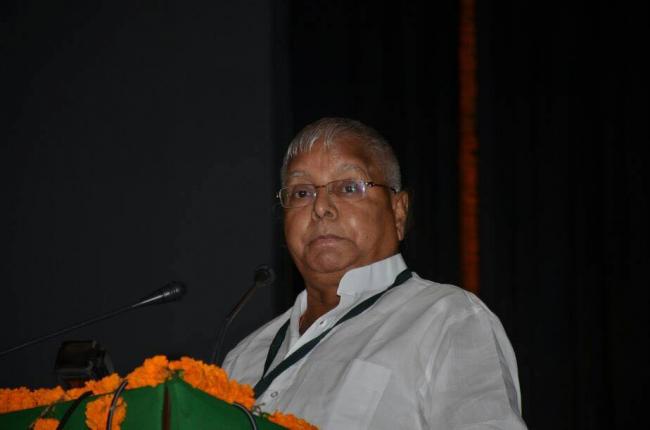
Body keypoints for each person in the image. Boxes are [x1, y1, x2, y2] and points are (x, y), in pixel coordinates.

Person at [223, 117, 527, 429]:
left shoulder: (447, 318)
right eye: (302, 193)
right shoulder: (244, 357)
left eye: (348, 187)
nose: (321, 207)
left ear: (398, 211)